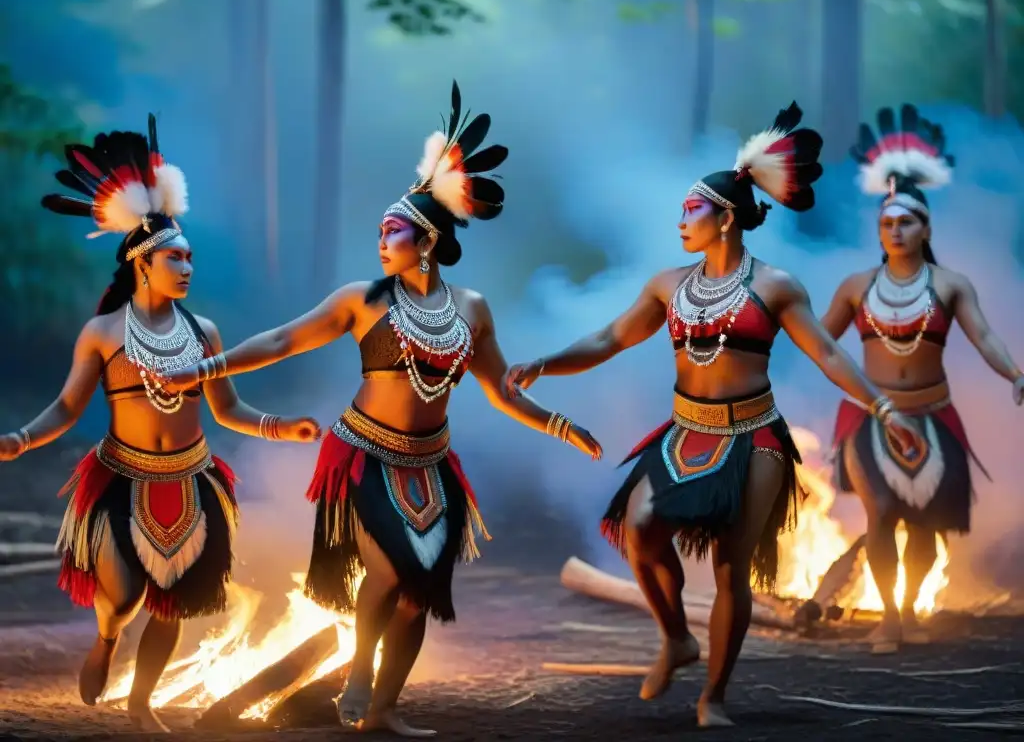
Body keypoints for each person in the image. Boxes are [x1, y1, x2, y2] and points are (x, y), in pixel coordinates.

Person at [158, 81, 603, 736]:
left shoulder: (471, 309)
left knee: (418, 595)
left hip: (433, 466)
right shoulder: (361, 299)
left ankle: (387, 707)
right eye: (378, 231)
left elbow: (501, 387)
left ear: (425, 238)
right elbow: (281, 340)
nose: (380, 240)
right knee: (391, 571)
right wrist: (206, 367)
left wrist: (560, 425)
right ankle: (360, 671)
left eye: (390, 230)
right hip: (363, 455)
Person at [503, 102, 917, 728]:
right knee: (640, 529)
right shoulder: (669, 285)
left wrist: (883, 406)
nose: (681, 222)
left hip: (755, 439)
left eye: (691, 211)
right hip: (685, 434)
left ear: (725, 220)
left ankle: (712, 698)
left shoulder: (776, 286)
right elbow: (610, 338)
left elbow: (830, 353)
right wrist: (544, 362)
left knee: (731, 565)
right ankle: (677, 637)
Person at [0, 116, 320, 732]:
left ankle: (143, 703)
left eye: (191, 257)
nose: (187, 266)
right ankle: (105, 641)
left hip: (194, 481)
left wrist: (282, 428)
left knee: (173, 606)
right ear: (142, 262)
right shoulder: (102, 335)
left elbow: (227, 409)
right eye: (175, 256)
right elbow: (68, 407)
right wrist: (21, 438)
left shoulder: (206, 334)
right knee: (122, 597)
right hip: (122, 477)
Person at [820, 104, 1023, 654]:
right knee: (882, 511)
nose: (895, 231)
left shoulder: (951, 285)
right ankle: (889, 617)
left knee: (927, 528)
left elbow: (984, 337)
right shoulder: (856, 286)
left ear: (926, 227)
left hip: (934, 417)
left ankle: (911, 607)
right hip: (870, 418)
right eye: (886, 223)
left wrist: (1014, 372)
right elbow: (817, 339)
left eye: (906, 222)